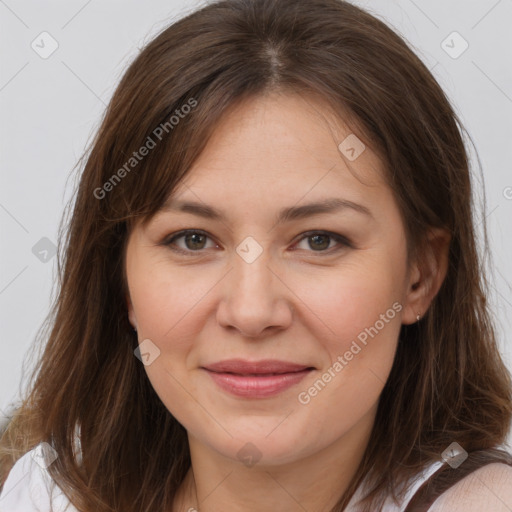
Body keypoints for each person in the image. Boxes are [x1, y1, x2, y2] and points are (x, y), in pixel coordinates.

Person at [1, 0, 511, 510]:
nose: (250, 312)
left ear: (419, 276)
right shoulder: (47, 492)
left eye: (319, 240)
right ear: (121, 278)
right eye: (192, 239)